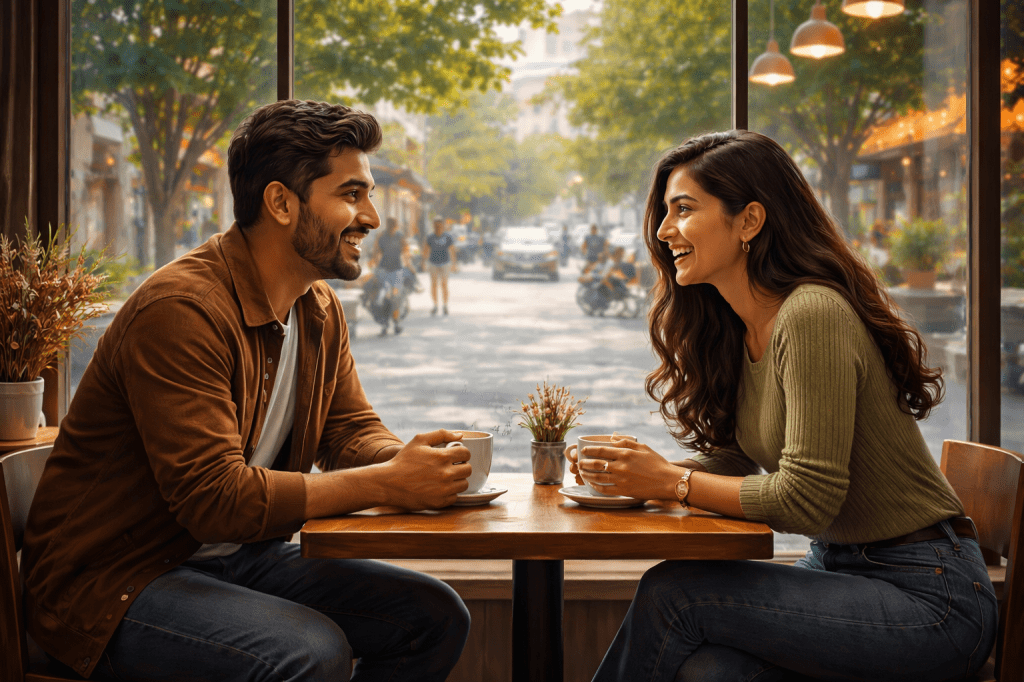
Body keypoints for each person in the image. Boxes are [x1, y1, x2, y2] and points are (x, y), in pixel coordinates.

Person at [21, 100, 472, 682]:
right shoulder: (182, 311)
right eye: (352, 194)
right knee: (309, 652)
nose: (374, 218)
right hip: (109, 583)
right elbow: (215, 499)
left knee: (434, 616)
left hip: (232, 560)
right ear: (282, 202)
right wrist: (386, 482)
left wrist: (414, 465)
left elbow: (349, 429)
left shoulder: (317, 306)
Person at [567, 130, 996, 682]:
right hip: (843, 569)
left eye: (683, 210)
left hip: (931, 598)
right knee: (710, 672)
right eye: (664, 212)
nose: (662, 230)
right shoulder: (740, 326)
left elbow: (808, 499)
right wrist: (639, 471)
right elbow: (734, 460)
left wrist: (667, 483)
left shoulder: (811, 313)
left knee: (674, 591)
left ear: (749, 221)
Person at [369, 217, 418, 335]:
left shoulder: (400, 236)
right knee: (384, 297)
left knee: (396, 298)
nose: (392, 226)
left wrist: (409, 265)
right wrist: (375, 267)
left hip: (396, 271)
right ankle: (385, 325)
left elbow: (406, 251)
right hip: (383, 270)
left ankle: (396, 323)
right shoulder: (381, 236)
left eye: (394, 224)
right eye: (390, 224)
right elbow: (376, 251)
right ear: (387, 224)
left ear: (396, 225)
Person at [424, 217, 457, 315]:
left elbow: (452, 250)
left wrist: (454, 264)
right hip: (433, 263)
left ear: (443, 225)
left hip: (445, 263)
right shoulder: (430, 237)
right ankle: (435, 305)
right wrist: (423, 262)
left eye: (440, 225)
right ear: (433, 225)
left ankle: (445, 305)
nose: (438, 227)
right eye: (436, 225)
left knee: (444, 284)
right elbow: (425, 249)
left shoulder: (447, 237)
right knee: (434, 285)